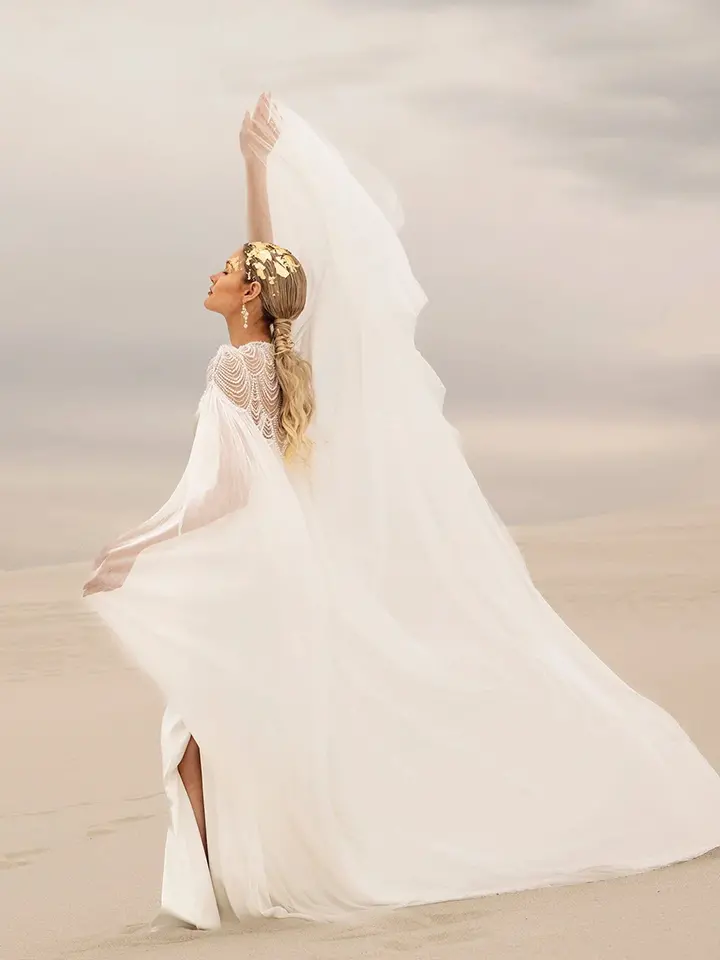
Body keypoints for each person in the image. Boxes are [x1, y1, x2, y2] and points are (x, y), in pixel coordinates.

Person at [83, 93, 720, 929]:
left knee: (200, 723)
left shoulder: (237, 372)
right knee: (207, 725)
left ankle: (206, 892)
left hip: (247, 574)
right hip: (264, 574)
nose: (215, 272)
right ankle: (211, 886)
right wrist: (254, 166)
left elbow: (233, 491)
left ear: (248, 298)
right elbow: (271, 267)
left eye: (229, 270)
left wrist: (140, 543)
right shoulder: (268, 362)